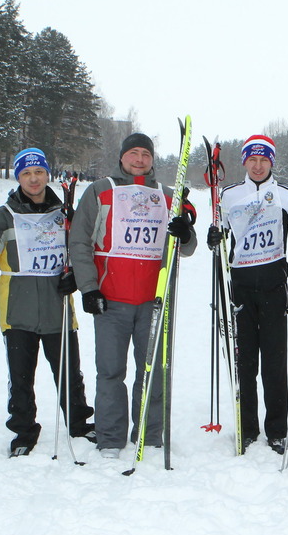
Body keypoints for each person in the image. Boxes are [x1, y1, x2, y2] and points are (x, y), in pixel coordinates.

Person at [0, 148, 95, 457]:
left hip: (57, 304)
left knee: (70, 372)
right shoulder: (4, 215)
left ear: (47, 175)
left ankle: (79, 422)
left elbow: (83, 249)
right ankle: (23, 429)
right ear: (18, 177)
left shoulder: (65, 214)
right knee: (21, 376)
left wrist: (77, 276)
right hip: (17, 307)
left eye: (39, 172)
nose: (33, 179)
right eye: (26, 174)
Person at [69, 133, 197, 459]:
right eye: (133, 153)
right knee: (110, 371)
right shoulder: (100, 190)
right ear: (123, 156)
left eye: (145, 154)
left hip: (153, 300)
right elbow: (80, 242)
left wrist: (186, 231)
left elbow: (187, 246)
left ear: (152, 159)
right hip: (111, 299)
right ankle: (111, 438)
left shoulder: (167, 196)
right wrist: (88, 287)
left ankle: (150, 434)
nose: (139, 159)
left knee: (153, 370)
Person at [207, 135, 288, 454]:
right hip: (240, 286)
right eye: (253, 159)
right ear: (245, 162)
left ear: (272, 162)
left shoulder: (287, 195)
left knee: (274, 362)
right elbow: (221, 234)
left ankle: (276, 429)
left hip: (274, 285)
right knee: (245, 361)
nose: (259, 164)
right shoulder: (229, 194)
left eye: (264, 159)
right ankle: (247, 426)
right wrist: (214, 236)